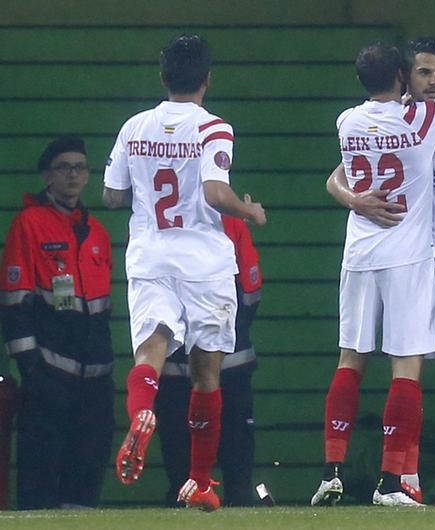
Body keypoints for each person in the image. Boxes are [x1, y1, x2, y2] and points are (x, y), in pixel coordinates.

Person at [325, 37, 435, 507]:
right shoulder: (412, 121)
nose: (434, 82)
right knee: (412, 369)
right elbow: (338, 176)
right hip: (415, 260)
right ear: (407, 77)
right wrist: (355, 198)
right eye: (424, 72)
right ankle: (407, 479)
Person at [102, 34, 266, 512]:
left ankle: (142, 415)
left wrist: (147, 194)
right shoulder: (214, 128)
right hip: (205, 263)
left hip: (150, 255)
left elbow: (112, 196)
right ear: (207, 80)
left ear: (163, 78)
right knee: (207, 373)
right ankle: (198, 481)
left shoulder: (134, 126)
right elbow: (216, 193)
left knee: (150, 352)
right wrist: (248, 210)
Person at [0, 135, 115, 509]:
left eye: (80, 167)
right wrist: (31, 368)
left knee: (86, 479)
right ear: (48, 176)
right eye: (64, 167)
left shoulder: (96, 231)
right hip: (49, 375)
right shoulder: (29, 224)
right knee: (40, 480)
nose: (73, 175)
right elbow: (15, 301)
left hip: (95, 380)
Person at [155, 215, 262, 507]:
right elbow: (250, 294)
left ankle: (199, 497)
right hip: (217, 362)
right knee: (210, 449)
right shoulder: (228, 224)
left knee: (204, 450)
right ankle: (204, 496)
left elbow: (251, 293)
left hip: (208, 364)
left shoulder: (230, 225)